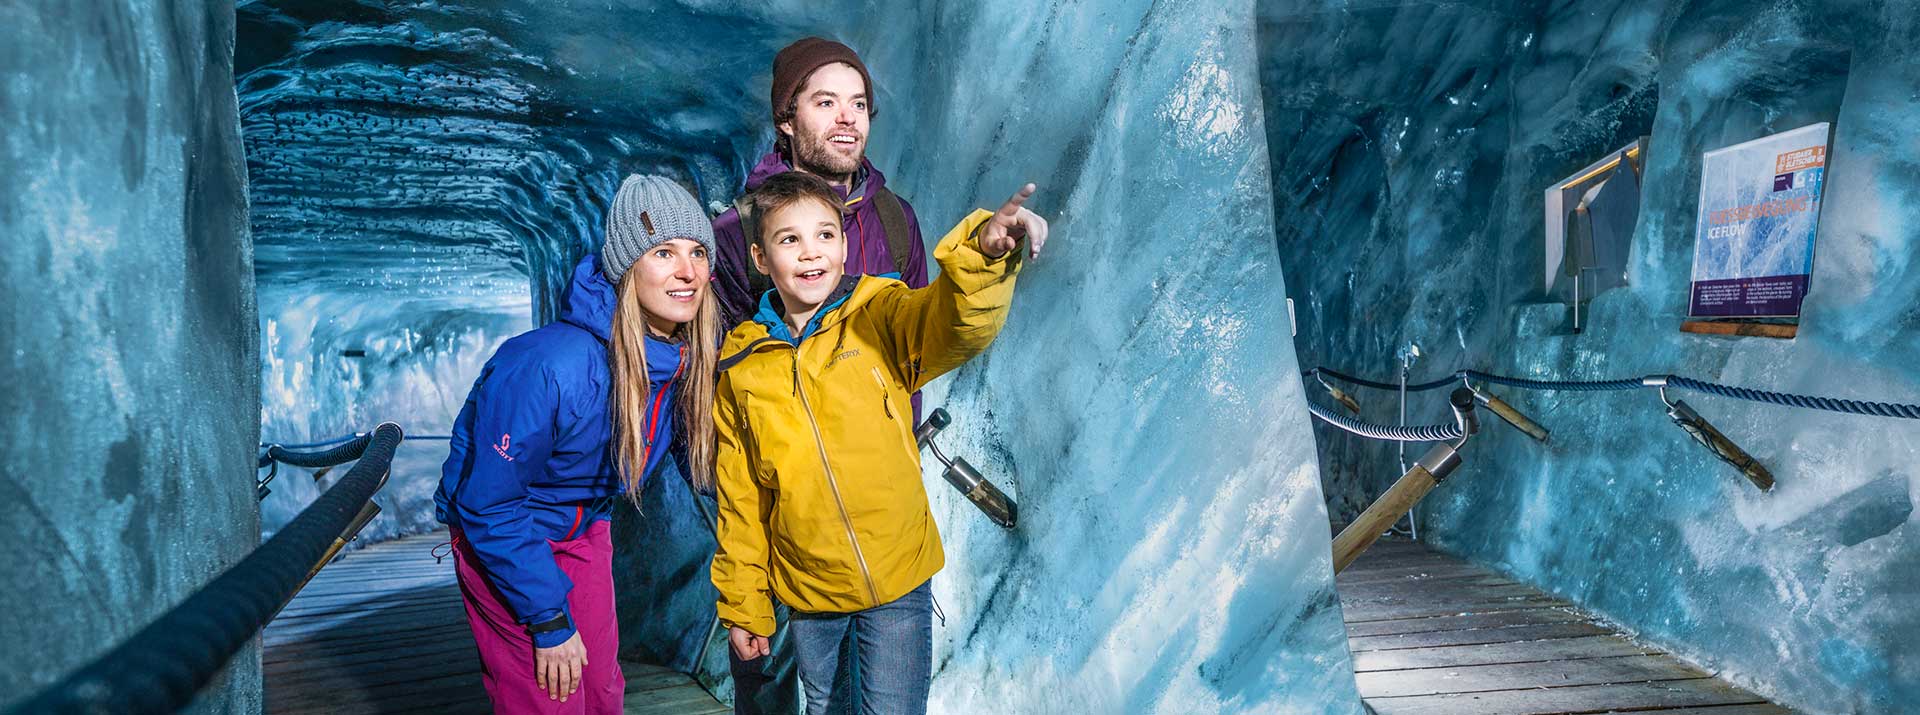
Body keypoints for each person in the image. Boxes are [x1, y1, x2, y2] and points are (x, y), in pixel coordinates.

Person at [710, 172, 1049, 715]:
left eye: (824, 235)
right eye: (789, 239)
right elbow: (742, 502)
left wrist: (983, 255)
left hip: (896, 586)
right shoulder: (742, 365)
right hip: (812, 595)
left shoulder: (879, 314)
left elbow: (950, 324)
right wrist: (745, 607)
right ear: (759, 257)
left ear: (844, 246)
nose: (810, 252)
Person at [434, 174, 720, 713]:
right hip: (504, 532)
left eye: (698, 252)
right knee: (550, 696)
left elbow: (705, 467)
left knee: (601, 691)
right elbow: (487, 504)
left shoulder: (678, 361)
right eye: (663, 252)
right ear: (625, 267)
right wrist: (547, 617)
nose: (688, 272)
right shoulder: (550, 365)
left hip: (586, 526)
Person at [711, 37, 927, 330]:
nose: (848, 117)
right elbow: (717, 363)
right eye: (826, 102)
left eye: (859, 104)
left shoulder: (897, 220)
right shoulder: (737, 231)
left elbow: (918, 345)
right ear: (788, 120)